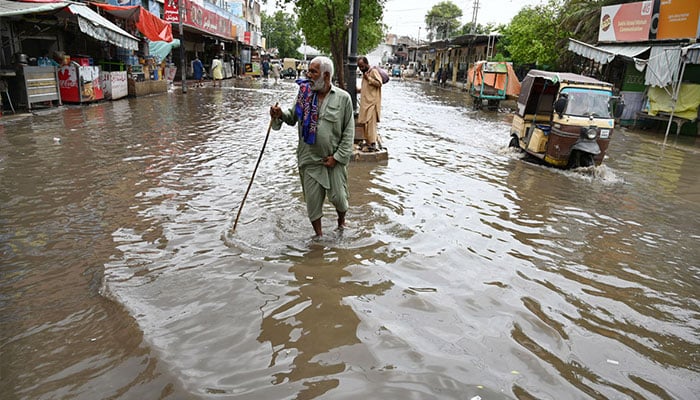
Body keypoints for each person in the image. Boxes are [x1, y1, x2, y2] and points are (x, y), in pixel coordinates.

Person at [269, 56, 355, 237]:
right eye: (309, 71)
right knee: (313, 204)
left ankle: (341, 222)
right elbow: (292, 117)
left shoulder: (343, 98)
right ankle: (319, 236)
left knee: (340, 199)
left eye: (313, 72)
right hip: (309, 159)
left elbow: (348, 133)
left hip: (333, 160)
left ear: (326, 75)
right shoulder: (304, 94)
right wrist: (279, 114)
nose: (308, 75)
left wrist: (337, 158)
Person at [356, 56, 383, 152]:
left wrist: (369, 78)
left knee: (371, 124)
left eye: (362, 66)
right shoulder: (365, 74)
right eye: (359, 67)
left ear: (367, 64)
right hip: (365, 103)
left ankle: (372, 143)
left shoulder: (373, 72)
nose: (361, 69)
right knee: (364, 123)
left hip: (372, 103)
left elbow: (379, 83)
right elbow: (366, 88)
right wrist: (358, 90)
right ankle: (367, 142)